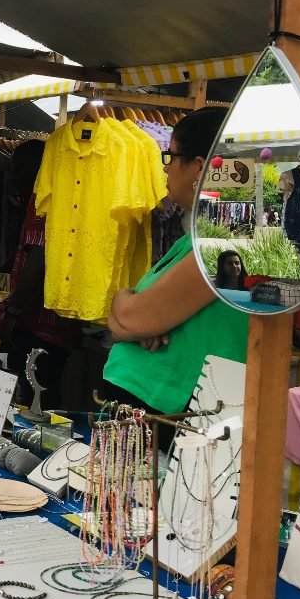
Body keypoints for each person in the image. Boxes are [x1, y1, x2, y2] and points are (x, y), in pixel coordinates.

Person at [103, 107, 248, 442]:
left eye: (171, 156)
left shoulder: (226, 241)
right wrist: (136, 313)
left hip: (174, 420)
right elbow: (129, 319)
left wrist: (132, 311)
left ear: (199, 166)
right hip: (161, 411)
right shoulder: (203, 236)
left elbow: (128, 319)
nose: (165, 167)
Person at [0, 140, 82, 408]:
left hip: (36, 323)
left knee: (34, 401)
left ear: (39, 167)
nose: (14, 177)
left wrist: (13, 311)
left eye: (19, 168)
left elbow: (40, 258)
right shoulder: (68, 198)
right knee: (43, 397)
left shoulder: (43, 199)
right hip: (57, 325)